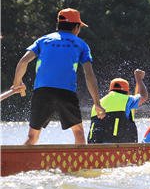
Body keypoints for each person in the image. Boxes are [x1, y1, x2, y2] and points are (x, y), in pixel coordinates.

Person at [10, 8, 106, 145]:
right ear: (76, 28)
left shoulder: (43, 40)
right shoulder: (81, 45)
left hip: (42, 91)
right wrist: (97, 103)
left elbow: (23, 62)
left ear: (58, 25)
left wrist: (17, 83)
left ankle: (17, 164)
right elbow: (89, 75)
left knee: (32, 136)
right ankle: (80, 165)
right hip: (66, 92)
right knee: (78, 132)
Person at [88, 69, 148, 144]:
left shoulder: (97, 104)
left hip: (95, 148)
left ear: (110, 90)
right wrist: (139, 79)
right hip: (118, 147)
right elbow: (143, 96)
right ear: (127, 92)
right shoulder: (127, 99)